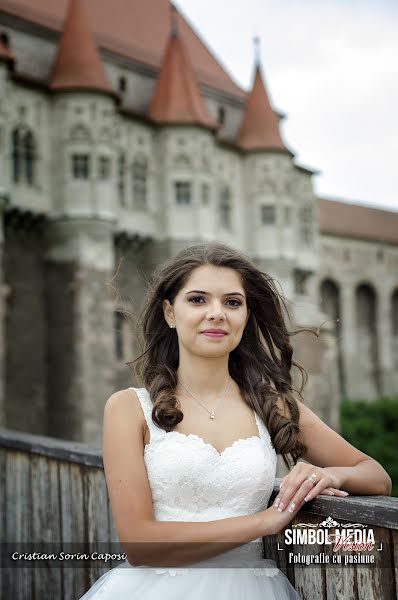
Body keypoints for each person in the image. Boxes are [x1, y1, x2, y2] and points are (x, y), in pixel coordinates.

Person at [78, 241, 392, 599]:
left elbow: (377, 477)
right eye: (197, 300)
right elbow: (139, 543)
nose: (217, 313)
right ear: (169, 313)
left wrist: (328, 474)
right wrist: (266, 521)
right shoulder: (128, 408)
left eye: (232, 302)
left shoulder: (272, 404)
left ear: (245, 315)